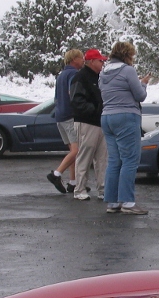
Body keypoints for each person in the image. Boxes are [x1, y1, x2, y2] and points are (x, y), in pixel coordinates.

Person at [99, 41, 151, 215]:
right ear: (127, 55)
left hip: (106, 117)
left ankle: (112, 202)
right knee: (130, 160)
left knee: (114, 161)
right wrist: (143, 83)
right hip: (126, 117)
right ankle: (128, 202)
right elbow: (140, 96)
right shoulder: (128, 71)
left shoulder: (102, 73)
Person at [70, 48, 107, 201]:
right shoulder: (81, 77)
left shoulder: (99, 77)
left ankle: (103, 189)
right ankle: (79, 189)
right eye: (100, 60)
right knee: (85, 155)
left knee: (103, 157)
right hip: (86, 121)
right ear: (91, 61)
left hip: (99, 121)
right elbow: (76, 101)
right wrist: (95, 109)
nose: (102, 63)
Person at [48, 48, 84, 193]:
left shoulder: (61, 75)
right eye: (81, 58)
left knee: (72, 151)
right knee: (77, 150)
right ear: (74, 59)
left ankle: (73, 182)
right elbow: (73, 92)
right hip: (70, 116)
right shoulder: (74, 74)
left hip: (60, 116)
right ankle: (56, 174)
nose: (83, 60)